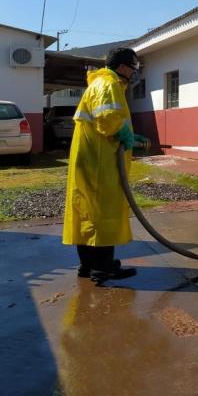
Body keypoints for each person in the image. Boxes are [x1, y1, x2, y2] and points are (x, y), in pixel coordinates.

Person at [62, 47, 148, 282]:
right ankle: (103, 267)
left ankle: (89, 265)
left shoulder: (100, 84)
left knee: (88, 212)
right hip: (99, 163)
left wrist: (130, 134)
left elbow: (108, 118)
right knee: (103, 212)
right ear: (122, 67)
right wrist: (125, 134)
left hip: (90, 159)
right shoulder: (108, 85)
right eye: (134, 68)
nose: (134, 73)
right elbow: (108, 119)